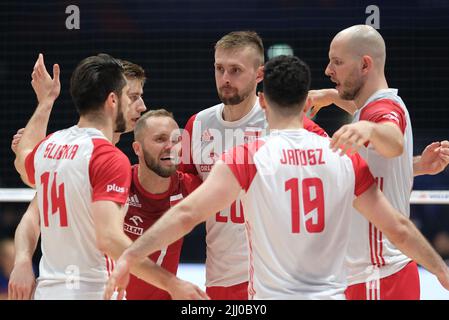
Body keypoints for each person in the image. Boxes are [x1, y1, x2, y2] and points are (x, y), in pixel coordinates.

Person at [105, 55, 449, 300]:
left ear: (263, 103)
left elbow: (185, 215)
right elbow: (399, 229)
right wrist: (441, 269)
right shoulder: (341, 156)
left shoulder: (247, 157)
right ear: (307, 103)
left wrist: (131, 256)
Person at [12, 53, 207, 300]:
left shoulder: (51, 145)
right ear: (113, 99)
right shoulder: (109, 158)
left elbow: (23, 159)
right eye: (131, 97)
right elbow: (109, 239)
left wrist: (46, 101)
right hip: (95, 290)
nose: (140, 106)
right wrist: (173, 284)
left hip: (49, 290)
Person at [179, 30, 327, 300]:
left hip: (278, 277)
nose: (225, 78)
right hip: (220, 275)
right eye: (219, 68)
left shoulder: (282, 119)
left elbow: (339, 164)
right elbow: (186, 192)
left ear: (259, 75)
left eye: (235, 70)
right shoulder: (197, 124)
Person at [308, 24, 449, 300]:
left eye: (337, 62)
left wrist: (370, 130)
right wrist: (417, 166)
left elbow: (392, 139)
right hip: (379, 273)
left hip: (379, 274)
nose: (328, 69)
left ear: (365, 65)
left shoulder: (382, 111)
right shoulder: (378, 105)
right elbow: (381, 163)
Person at [124, 109, 202, 299]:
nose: (170, 147)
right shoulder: (119, 185)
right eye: (160, 139)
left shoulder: (191, 189)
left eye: (176, 140)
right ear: (137, 149)